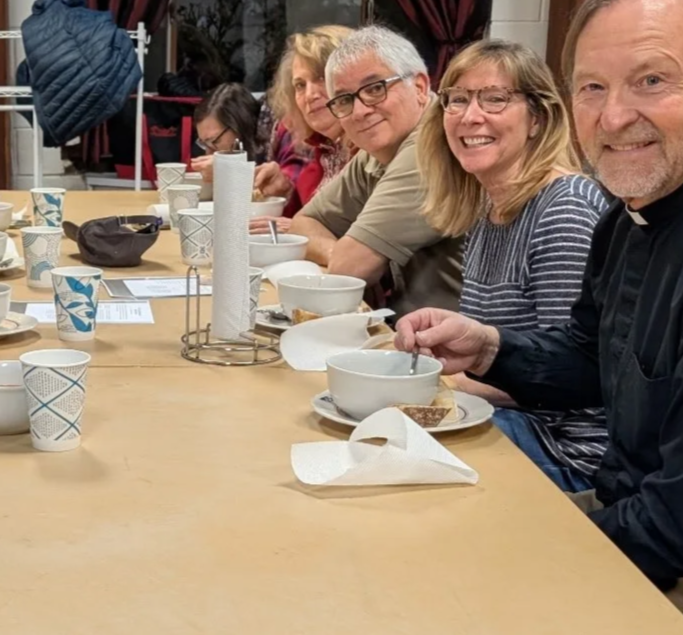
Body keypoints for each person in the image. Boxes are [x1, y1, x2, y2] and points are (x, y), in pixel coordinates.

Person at [395, 0, 683, 603]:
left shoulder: (574, 206)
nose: (613, 117)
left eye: (652, 80)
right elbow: (590, 361)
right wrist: (489, 348)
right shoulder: (624, 224)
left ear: (537, 117)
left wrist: (521, 561)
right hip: (621, 512)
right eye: (593, 88)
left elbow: (669, 525)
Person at [416, 39, 611, 492]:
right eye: (457, 99)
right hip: (519, 421)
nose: (470, 116)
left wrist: (441, 385)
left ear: (537, 119)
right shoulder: (489, 209)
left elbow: (571, 381)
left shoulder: (564, 209)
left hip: (570, 451)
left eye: (495, 98)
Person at [288, 26, 462, 317]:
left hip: (465, 341)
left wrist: (345, 254)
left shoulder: (433, 145)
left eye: (375, 89)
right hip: (412, 328)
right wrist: (338, 252)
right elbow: (303, 224)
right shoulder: (378, 148)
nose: (359, 111)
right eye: (344, 100)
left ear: (420, 87)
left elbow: (350, 268)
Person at [252, 25, 355, 232]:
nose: (310, 95)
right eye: (300, 85)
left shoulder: (374, 153)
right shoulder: (322, 154)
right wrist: (284, 191)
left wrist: (297, 230)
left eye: (321, 77)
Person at [190, 83, 263, 183]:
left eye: (215, 141)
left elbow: (267, 183)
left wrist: (226, 172)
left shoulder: (272, 146)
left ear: (238, 127)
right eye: (204, 144)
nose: (208, 153)